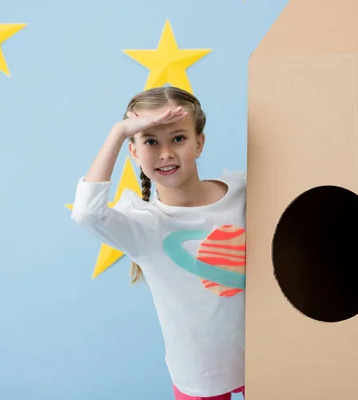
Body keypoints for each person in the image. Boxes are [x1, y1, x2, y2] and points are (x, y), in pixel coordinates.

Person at [70, 86, 246, 400]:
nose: (165, 153)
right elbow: (86, 213)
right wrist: (120, 131)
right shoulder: (141, 225)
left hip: (264, 357)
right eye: (150, 141)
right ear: (134, 153)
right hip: (198, 374)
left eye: (178, 138)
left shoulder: (243, 191)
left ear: (199, 143)